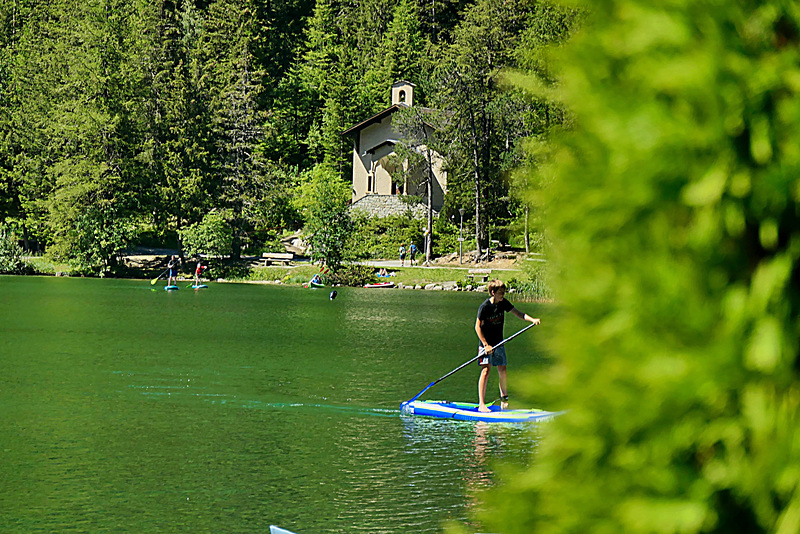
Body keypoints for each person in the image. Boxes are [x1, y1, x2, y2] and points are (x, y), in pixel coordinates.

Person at [475, 279, 540, 412]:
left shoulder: (503, 303)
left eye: (503, 292)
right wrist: (486, 345)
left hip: (499, 342)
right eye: (500, 292)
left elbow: (519, 314)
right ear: (493, 292)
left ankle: (504, 401)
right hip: (486, 344)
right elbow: (477, 327)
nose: (503, 295)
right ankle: (482, 404)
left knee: (502, 370)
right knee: (486, 371)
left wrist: (532, 320)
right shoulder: (485, 307)